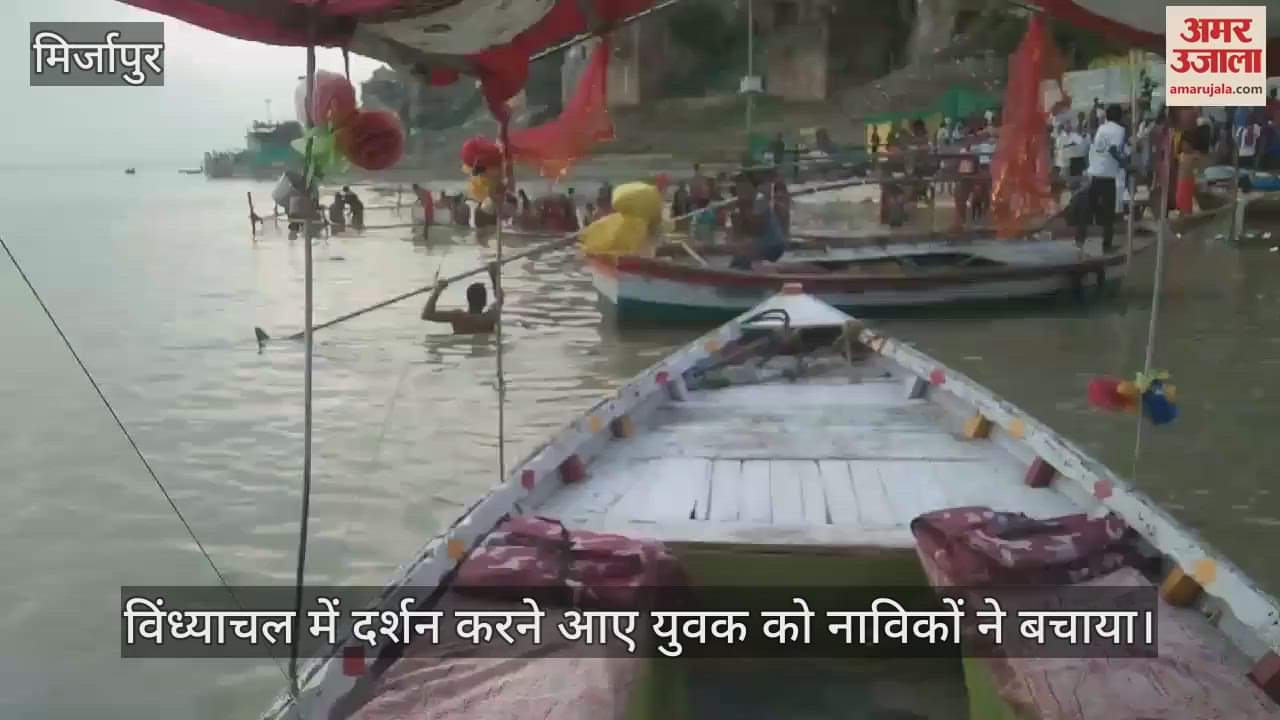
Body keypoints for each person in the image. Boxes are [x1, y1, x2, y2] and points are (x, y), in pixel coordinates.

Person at [1076, 104, 1127, 252]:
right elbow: (1113, 149)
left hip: (1094, 173)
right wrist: (1125, 165)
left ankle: (1079, 240)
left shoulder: (1102, 128)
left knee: (1088, 210)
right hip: (1106, 175)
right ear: (1120, 117)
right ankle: (1107, 245)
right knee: (1108, 213)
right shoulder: (1119, 130)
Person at [421, 262, 504, 335]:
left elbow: (426, 315)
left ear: (468, 299)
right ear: (485, 302)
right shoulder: (489, 318)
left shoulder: (458, 317)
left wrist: (437, 291)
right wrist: (494, 276)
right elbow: (500, 299)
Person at [1176, 124, 1211, 215]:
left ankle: (1184, 223)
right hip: (1184, 184)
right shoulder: (1186, 156)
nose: (1184, 146)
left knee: (1185, 208)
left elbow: (1203, 162)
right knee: (1185, 209)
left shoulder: (1188, 156)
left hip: (1186, 183)